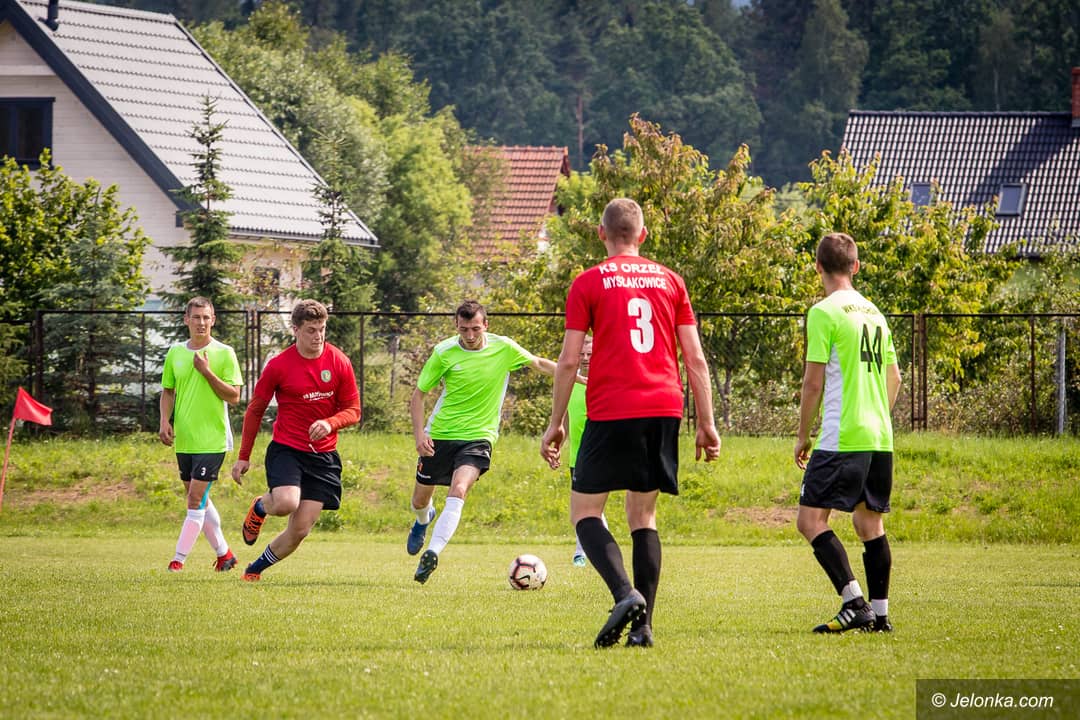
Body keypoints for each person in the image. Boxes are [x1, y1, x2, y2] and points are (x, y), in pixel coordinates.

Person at [540, 198, 721, 649]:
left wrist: (556, 422)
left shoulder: (588, 282)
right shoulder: (671, 281)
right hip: (664, 406)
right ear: (643, 235)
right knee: (643, 516)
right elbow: (695, 359)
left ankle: (625, 594)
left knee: (585, 512)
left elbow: (568, 361)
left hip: (611, 408)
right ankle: (643, 629)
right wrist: (706, 421)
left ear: (601, 234)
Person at [407, 300, 565, 585]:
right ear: (456, 326)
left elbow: (540, 364)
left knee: (459, 488)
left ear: (486, 325)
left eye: (475, 329)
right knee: (419, 500)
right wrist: (420, 435)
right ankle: (423, 519)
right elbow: (418, 396)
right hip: (440, 434)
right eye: (464, 329)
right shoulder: (443, 352)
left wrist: (578, 376)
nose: (470, 335)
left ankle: (433, 552)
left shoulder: (503, 347)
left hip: (479, 436)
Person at [794, 232, 901, 634]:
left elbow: (813, 383)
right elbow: (895, 378)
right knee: (869, 525)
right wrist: (876, 416)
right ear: (855, 266)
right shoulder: (875, 313)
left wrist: (803, 434)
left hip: (843, 436)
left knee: (810, 520)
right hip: (879, 436)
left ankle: (854, 603)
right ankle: (881, 616)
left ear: (818, 266)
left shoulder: (824, 312)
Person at [230, 299, 360, 581]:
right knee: (286, 503)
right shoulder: (279, 365)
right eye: (311, 330)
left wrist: (330, 422)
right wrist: (243, 456)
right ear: (296, 330)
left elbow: (354, 410)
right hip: (288, 449)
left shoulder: (339, 361)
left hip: (323, 456)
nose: (318, 336)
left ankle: (254, 570)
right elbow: (255, 410)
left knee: (300, 529)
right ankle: (261, 506)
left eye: (322, 329)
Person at [159, 297, 244, 573]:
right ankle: (224, 554)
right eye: (196, 317)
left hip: (212, 440)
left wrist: (207, 372)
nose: (201, 322)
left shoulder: (224, 353)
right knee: (200, 501)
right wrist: (164, 420)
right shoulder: (175, 352)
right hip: (185, 440)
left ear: (213, 320)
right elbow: (168, 391)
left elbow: (234, 396)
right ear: (186, 320)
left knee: (194, 501)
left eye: (206, 317)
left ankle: (177, 560)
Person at [564, 334, 607, 567]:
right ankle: (600, 552)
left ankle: (582, 553)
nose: (586, 358)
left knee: (586, 508)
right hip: (576, 456)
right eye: (581, 354)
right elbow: (564, 417)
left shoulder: (607, 380)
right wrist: (557, 445)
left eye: (590, 354)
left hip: (601, 453)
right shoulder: (569, 380)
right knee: (587, 509)